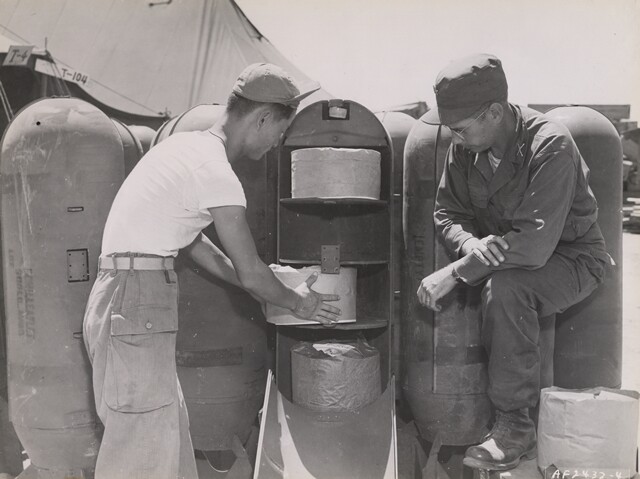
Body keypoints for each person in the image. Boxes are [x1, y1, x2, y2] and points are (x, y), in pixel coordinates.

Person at [82, 63, 341, 479]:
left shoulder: (186, 149)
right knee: (142, 450)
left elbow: (197, 244)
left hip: (128, 299)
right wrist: (298, 301)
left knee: (167, 439)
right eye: (280, 132)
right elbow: (251, 272)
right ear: (262, 118)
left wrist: (257, 280)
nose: (276, 144)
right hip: (136, 300)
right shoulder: (216, 172)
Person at [416, 54, 611, 471]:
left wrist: (456, 271)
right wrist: (470, 245)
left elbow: (534, 245)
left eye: (462, 127)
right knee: (503, 282)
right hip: (507, 256)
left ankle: (515, 427)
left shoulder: (551, 144)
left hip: (572, 259)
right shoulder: (466, 147)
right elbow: (447, 213)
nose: (456, 136)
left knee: (507, 288)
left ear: (495, 111)